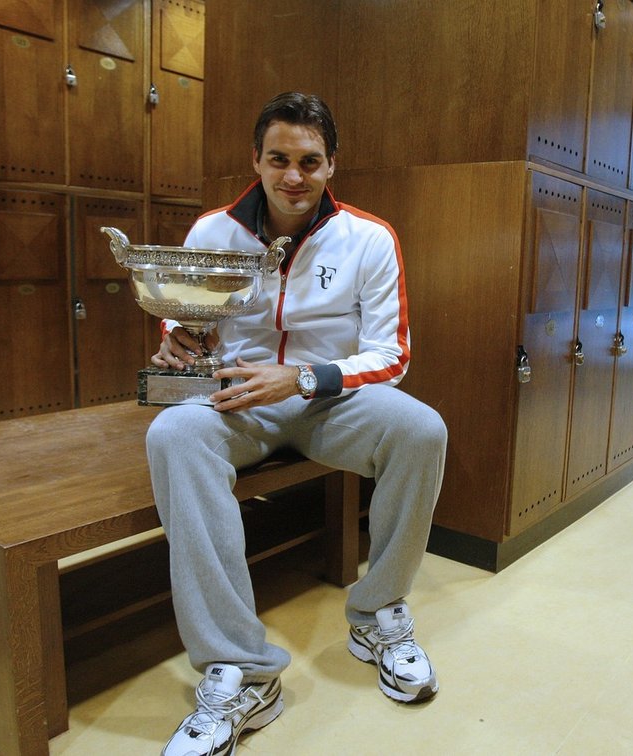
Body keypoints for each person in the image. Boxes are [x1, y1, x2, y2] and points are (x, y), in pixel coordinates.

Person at [146, 91, 447, 756]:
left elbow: (391, 354)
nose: (293, 176)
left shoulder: (369, 237)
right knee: (171, 434)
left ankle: (377, 615)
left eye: (309, 161)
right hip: (236, 401)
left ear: (332, 165)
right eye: (278, 158)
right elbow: (183, 315)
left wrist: (306, 376)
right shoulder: (212, 232)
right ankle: (241, 669)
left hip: (328, 402)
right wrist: (179, 338)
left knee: (422, 430)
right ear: (255, 159)